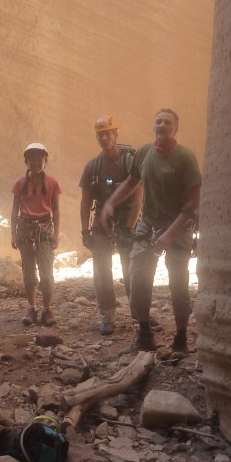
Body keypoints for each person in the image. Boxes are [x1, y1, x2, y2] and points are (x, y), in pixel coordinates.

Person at [100, 108, 201, 353]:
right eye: (158, 121)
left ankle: (181, 339)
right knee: (138, 281)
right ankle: (145, 335)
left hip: (178, 226)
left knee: (178, 284)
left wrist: (171, 233)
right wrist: (111, 203)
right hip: (149, 225)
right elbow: (131, 182)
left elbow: (193, 202)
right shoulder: (145, 152)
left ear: (175, 129)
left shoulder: (185, 157)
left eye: (167, 122)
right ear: (153, 125)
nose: (161, 125)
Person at [79, 115, 143, 335]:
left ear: (116, 134)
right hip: (102, 223)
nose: (105, 137)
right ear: (97, 137)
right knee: (102, 270)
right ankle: (107, 316)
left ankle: (139, 312)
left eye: (109, 133)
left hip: (127, 220)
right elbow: (86, 201)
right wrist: (85, 231)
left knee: (132, 269)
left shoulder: (130, 163)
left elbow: (137, 199)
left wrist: (129, 227)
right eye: (101, 134)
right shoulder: (92, 168)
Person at [11, 143, 62, 327]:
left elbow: (55, 210)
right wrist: (13, 234)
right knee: (29, 273)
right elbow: (15, 210)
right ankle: (32, 307)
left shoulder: (52, 183)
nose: (36, 162)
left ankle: (47, 309)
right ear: (26, 162)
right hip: (25, 230)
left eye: (40, 159)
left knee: (47, 274)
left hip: (44, 230)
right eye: (32, 159)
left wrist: (56, 234)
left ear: (45, 161)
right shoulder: (20, 184)